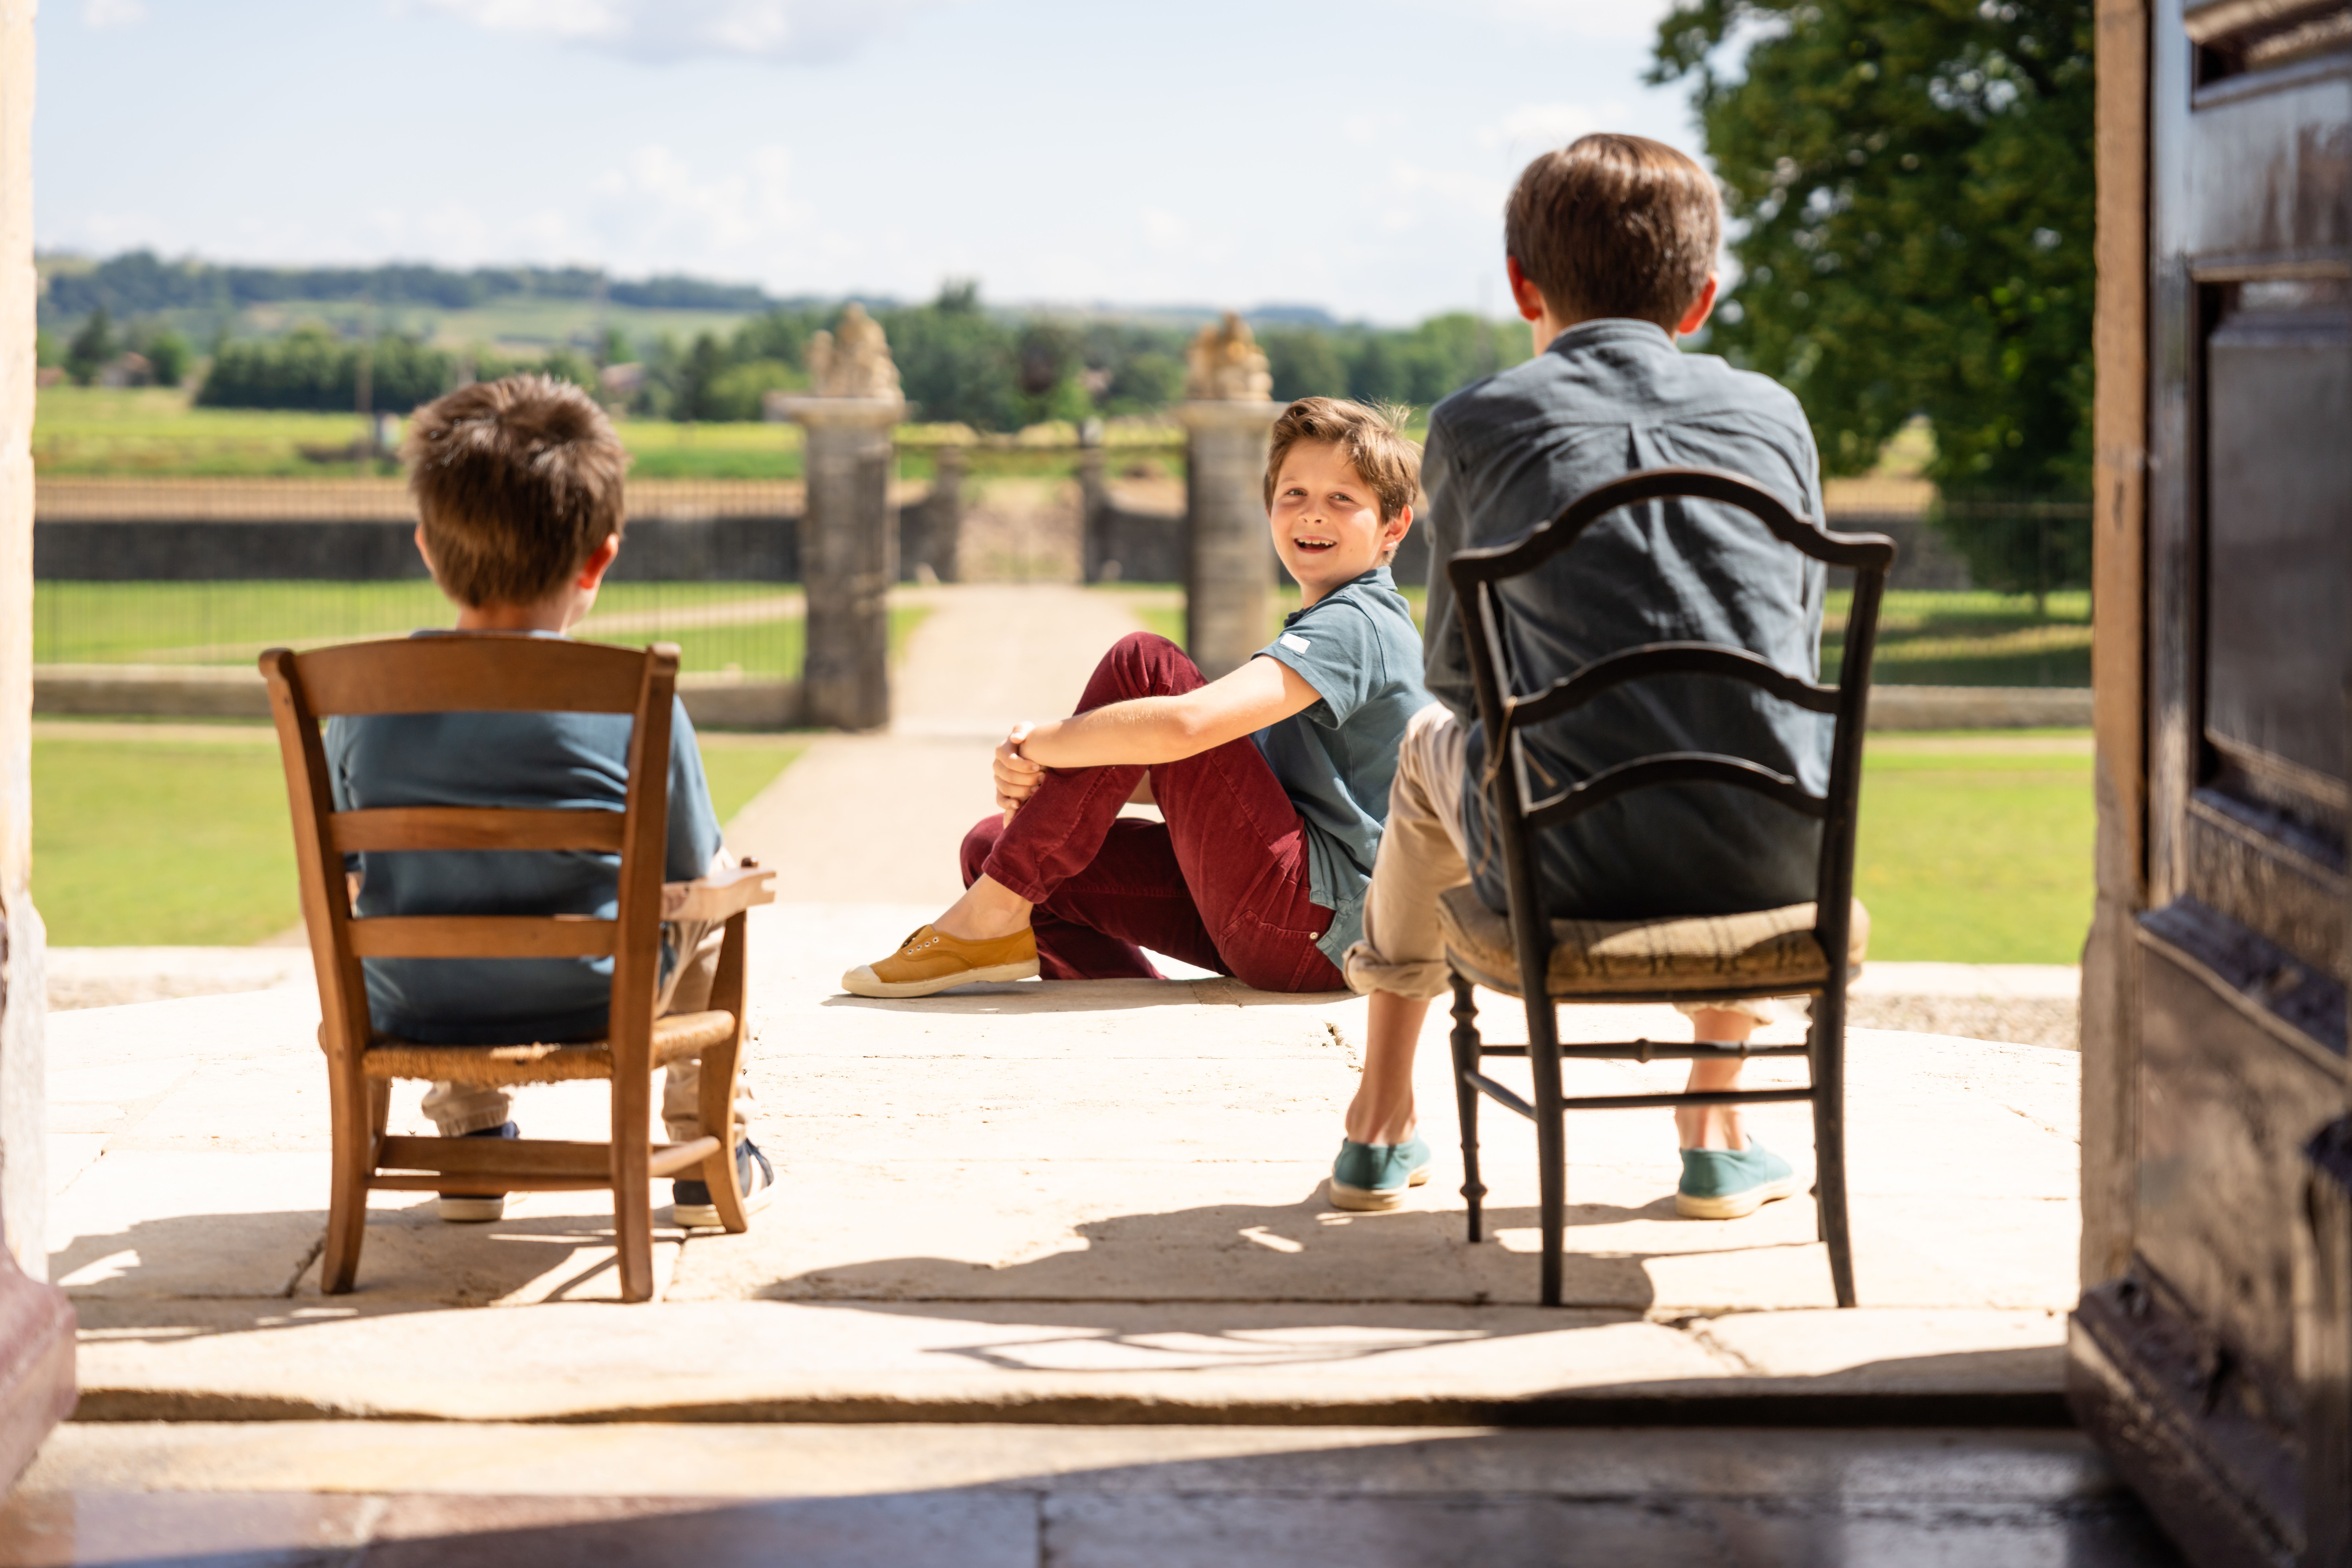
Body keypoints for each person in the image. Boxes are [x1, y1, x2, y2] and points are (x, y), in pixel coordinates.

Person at [1333, 133, 1829, 1218]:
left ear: (1524, 287)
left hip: (1555, 871)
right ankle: (1714, 1123)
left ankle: (1379, 1120)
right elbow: (1793, 654)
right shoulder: (1776, 416)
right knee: (1740, 734)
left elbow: (1460, 678)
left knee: (1427, 749)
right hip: (1777, 866)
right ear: (1699, 301)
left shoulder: (1480, 422)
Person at [328, 373, 772, 1228]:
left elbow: (351, 867)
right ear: (601, 556)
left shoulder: (362, 698)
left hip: (417, 1000)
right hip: (595, 997)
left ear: (427, 546)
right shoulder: (637, 697)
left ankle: (468, 1147)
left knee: (430, 888)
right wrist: (734, 878)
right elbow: (690, 871)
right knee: (720, 896)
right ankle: (708, 1145)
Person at [842, 396, 1431, 1005]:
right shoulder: (1324, 623)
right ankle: (1096, 993)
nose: (1313, 515)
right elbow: (1196, 779)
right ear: (1269, 508)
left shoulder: (1358, 622)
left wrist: (1043, 743)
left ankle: (987, 919)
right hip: (1291, 918)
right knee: (997, 850)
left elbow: (1188, 726)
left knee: (1145, 666)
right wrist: (1054, 772)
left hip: (1317, 927)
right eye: (1294, 495)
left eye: (1342, 499)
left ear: (1394, 526)